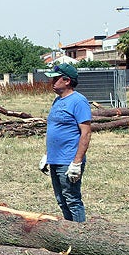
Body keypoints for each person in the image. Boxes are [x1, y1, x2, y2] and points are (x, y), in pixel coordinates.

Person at [38, 63, 91, 222]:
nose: (52, 82)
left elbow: (86, 133)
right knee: (61, 200)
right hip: (55, 159)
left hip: (68, 160)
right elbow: (56, 130)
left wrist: (76, 162)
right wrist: (47, 155)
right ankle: (69, 234)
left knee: (72, 199)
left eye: (55, 79)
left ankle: (80, 237)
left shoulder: (78, 101)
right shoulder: (57, 101)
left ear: (67, 81)